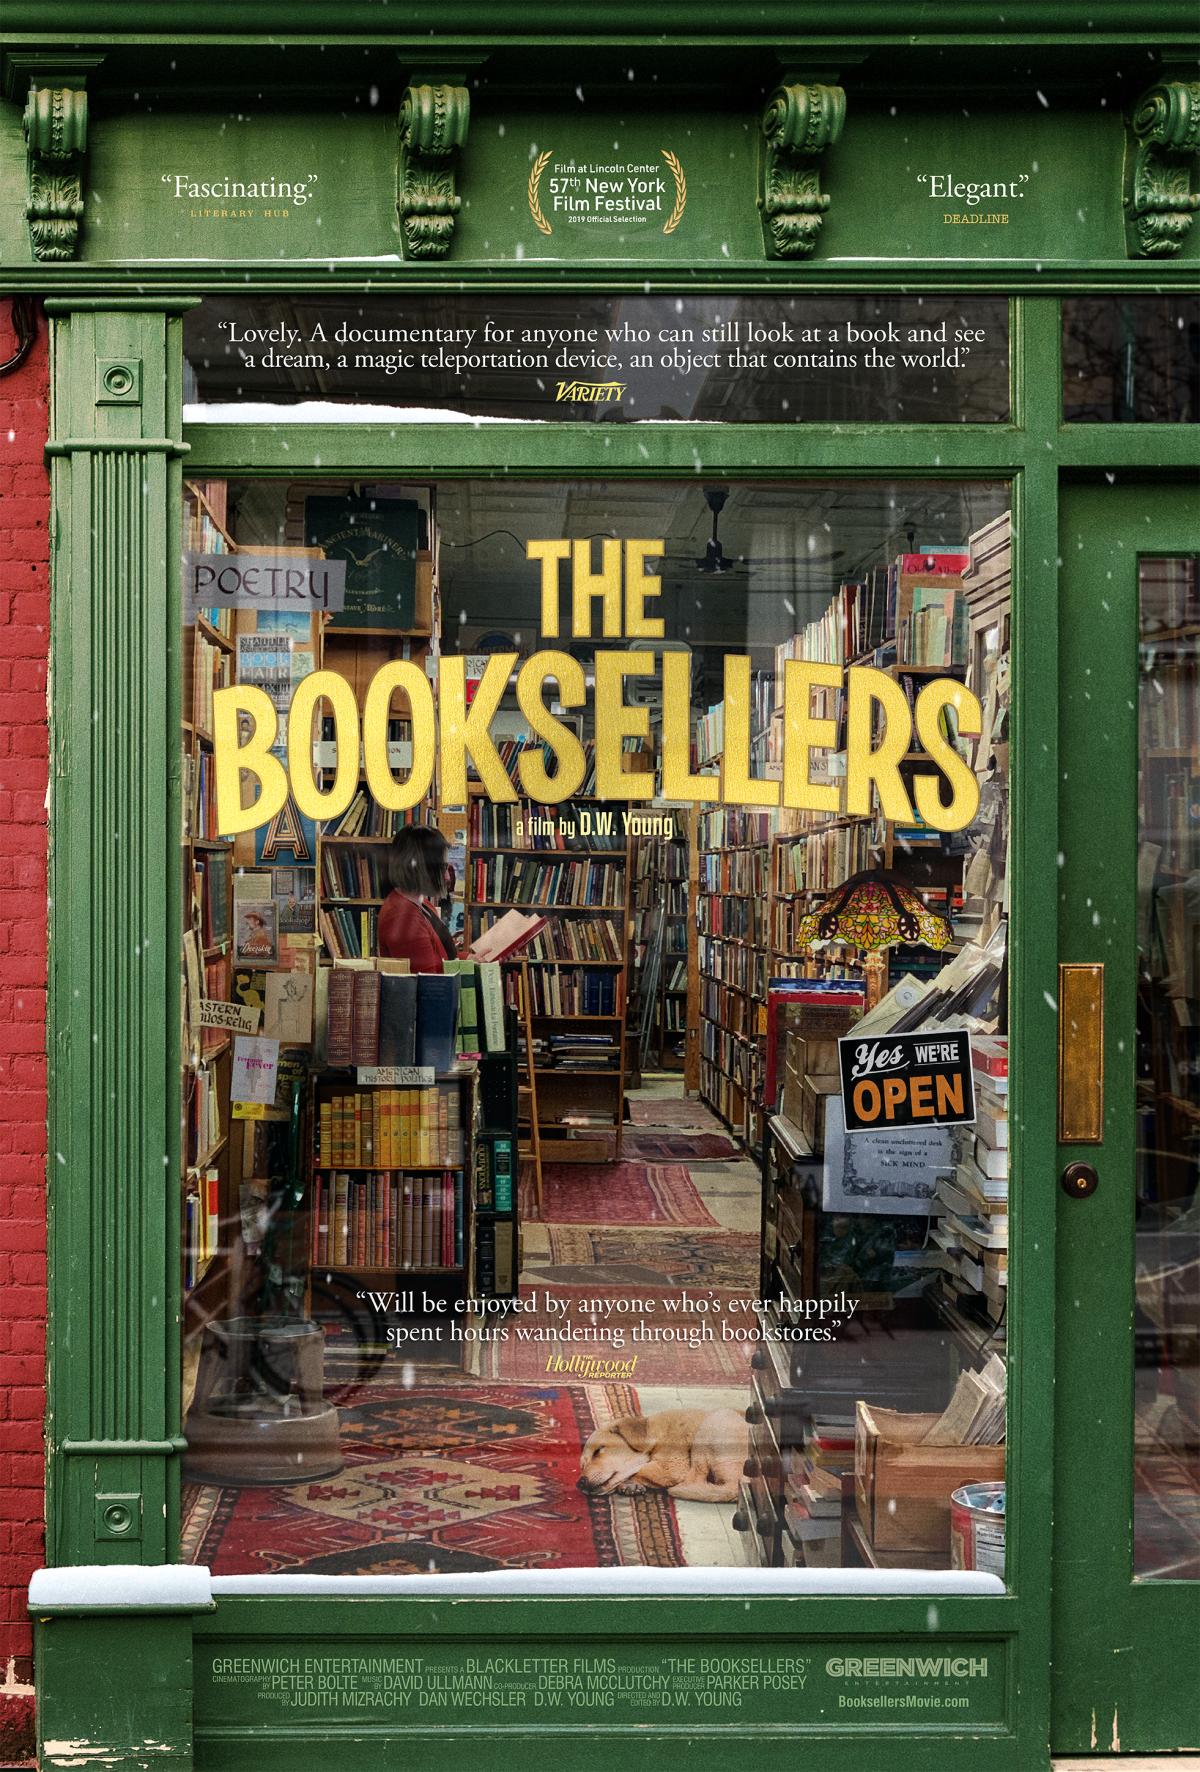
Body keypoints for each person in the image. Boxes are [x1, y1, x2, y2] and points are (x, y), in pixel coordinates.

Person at [377, 824, 458, 972]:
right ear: (420, 869)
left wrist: (472, 959)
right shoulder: (403, 917)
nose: (447, 877)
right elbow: (430, 984)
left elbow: (442, 957)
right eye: (441, 868)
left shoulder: (423, 904)